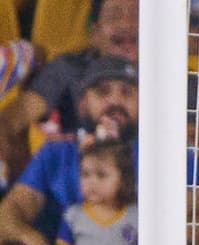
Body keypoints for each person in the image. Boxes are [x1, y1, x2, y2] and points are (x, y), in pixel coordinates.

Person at [0, 54, 138, 245]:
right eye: (103, 92)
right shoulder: (57, 152)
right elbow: (7, 216)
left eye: (127, 92)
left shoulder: (165, 156)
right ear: (83, 104)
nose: (116, 101)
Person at [0, 0, 138, 176]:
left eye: (137, 15)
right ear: (94, 33)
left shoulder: (167, 76)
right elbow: (12, 119)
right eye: (114, 16)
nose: (126, 24)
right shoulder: (69, 67)